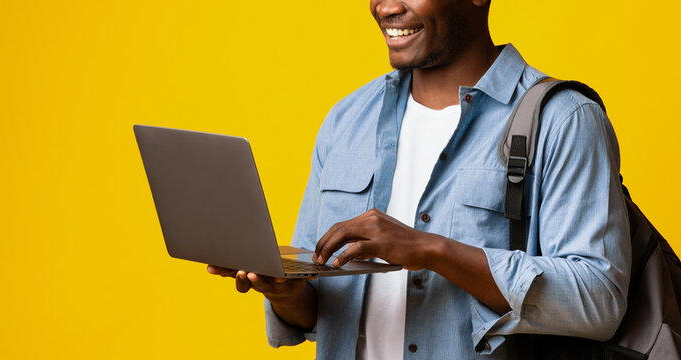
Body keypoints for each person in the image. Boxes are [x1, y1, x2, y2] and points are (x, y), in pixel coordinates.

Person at [207, 0, 631, 358]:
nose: (386, 7)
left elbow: (599, 299)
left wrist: (429, 249)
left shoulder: (564, 119)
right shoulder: (347, 119)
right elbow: (318, 307)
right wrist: (284, 293)